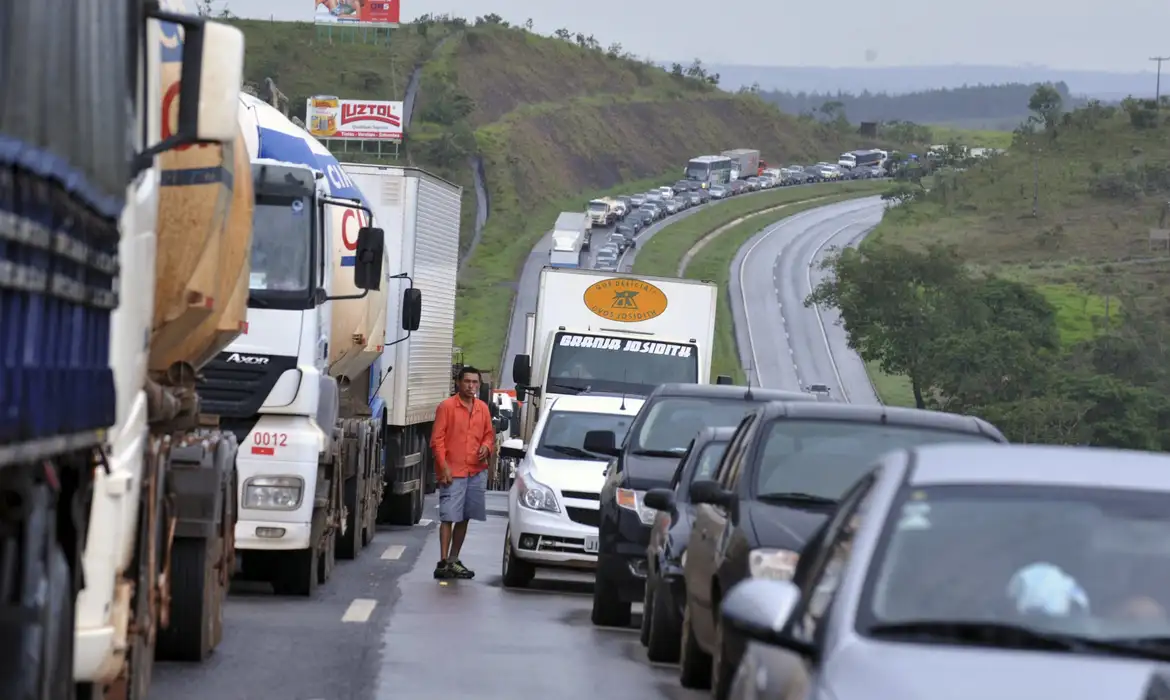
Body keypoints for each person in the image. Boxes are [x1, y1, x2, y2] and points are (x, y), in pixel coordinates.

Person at [430, 366, 495, 580]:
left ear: (479, 385)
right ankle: (442, 562)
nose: (471, 386)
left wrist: (486, 447)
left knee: (465, 516)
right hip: (454, 471)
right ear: (458, 383)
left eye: (475, 382)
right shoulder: (447, 407)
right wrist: (443, 466)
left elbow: (489, 435)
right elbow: (437, 440)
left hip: (475, 471)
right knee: (449, 516)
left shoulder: (482, 408)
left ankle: (453, 559)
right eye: (467, 381)